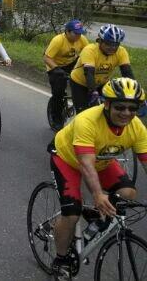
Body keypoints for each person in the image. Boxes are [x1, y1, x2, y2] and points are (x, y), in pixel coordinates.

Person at [48, 78, 147, 280]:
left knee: (127, 193)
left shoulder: (137, 128)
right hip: (68, 159)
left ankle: (95, 216)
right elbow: (85, 164)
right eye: (120, 107)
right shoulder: (88, 121)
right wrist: (97, 194)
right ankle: (60, 259)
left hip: (102, 159)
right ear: (107, 104)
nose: (126, 113)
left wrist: (103, 197)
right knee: (72, 212)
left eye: (132, 108)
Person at [69, 24, 134, 113]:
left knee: (109, 110)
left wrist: (133, 92)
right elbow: (89, 73)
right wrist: (93, 92)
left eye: (116, 44)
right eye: (109, 44)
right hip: (80, 82)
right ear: (100, 41)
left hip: (102, 83)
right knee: (83, 113)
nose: (113, 47)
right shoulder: (90, 50)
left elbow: (127, 72)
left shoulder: (121, 51)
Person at [44, 20, 89, 123]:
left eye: (80, 33)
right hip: (55, 66)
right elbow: (47, 58)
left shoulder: (82, 39)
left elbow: (88, 53)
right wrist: (57, 69)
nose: (78, 36)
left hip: (71, 63)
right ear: (67, 32)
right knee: (58, 93)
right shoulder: (58, 40)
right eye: (75, 33)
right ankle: (56, 117)